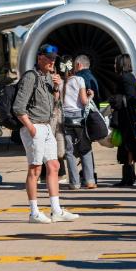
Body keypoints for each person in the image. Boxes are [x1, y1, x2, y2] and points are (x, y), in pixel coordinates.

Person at [13, 44, 79, 224]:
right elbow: (18, 107)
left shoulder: (49, 78)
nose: (52, 61)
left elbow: (54, 103)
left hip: (47, 126)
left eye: (54, 58)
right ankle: (34, 213)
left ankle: (56, 210)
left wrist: (57, 88)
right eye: (49, 57)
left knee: (54, 166)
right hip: (34, 126)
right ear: (39, 58)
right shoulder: (30, 77)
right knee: (35, 169)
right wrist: (31, 128)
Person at [57, 55, 96, 190]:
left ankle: (74, 183)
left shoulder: (61, 83)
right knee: (85, 148)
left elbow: (58, 101)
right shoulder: (79, 80)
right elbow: (84, 102)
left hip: (66, 119)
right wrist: (91, 96)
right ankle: (90, 180)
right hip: (79, 118)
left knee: (70, 151)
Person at [112, 54, 136, 187]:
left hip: (127, 115)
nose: (114, 65)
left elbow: (130, 97)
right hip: (128, 114)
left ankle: (128, 177)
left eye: (116, 62)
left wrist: (116, 100)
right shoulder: (129, 77)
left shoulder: (125, 78)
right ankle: (130, 175)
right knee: (128, 144)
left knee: (128, 145)